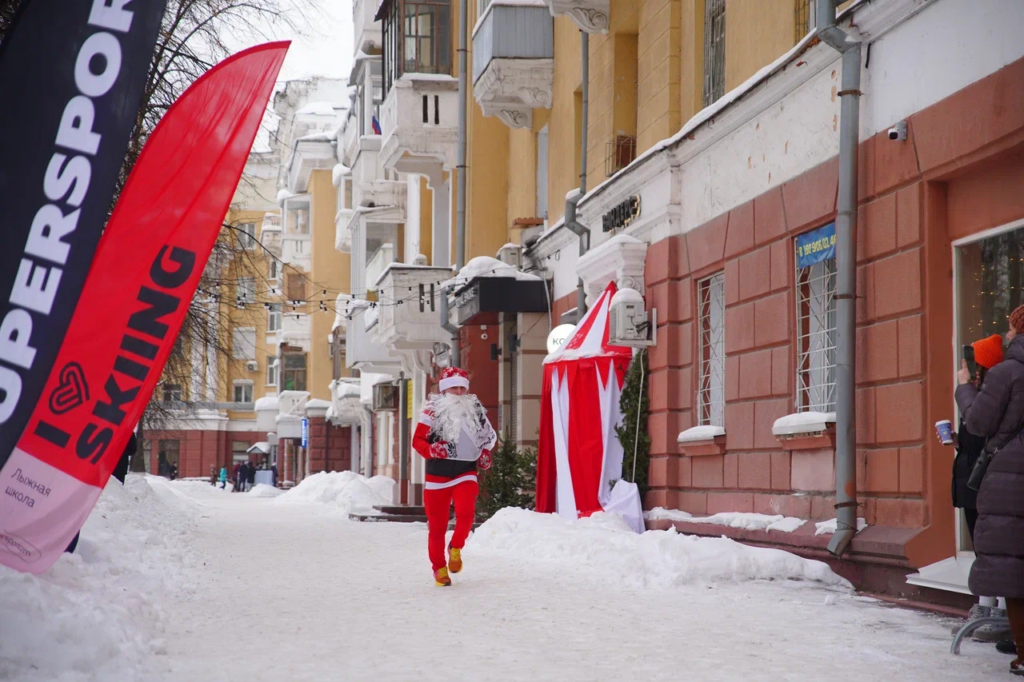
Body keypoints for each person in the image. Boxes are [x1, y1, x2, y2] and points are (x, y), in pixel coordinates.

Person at [955, 304, 1024, 676]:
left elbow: (978, 421)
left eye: (1012, 328)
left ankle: (1023, 654)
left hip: (1012, 478)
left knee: (1013, 569)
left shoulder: (1008, 373)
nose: (1008, 334)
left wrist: (964, 389)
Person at [412, 367, 496, 587]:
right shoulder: (432, 411)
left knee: (466, 515)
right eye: (454, 387)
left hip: (465, 472)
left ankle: (456, 547)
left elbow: (486, 437)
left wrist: (485, 454)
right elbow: (418, 441)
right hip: (437, 476)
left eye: (462, 387)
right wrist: (432, 450)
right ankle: (439, 568)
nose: (458, 392)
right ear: (444, 389)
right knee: (437, 527)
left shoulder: (475, 409)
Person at [948, 335, 1006, 638]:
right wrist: (958, 442)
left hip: (984, 479)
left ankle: (996, 610)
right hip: (972, 477)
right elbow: (975, 435)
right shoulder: (985, 391)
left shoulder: (991, 392)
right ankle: (987, 606)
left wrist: (964, 387)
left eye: (973, 359)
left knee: (991, 548)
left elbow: (982, 428)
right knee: (982, 546)